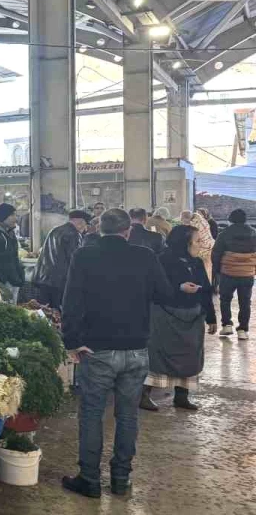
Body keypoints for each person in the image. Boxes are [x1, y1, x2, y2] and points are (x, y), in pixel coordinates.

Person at [60, 209, 189, 499]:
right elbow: (165, 295)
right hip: (135, 349)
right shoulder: (144, 256)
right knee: (128, 416)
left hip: (96, 349)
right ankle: (121, 479)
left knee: (92, 414)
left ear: (99, 229)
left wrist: (72, 341)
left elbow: (71, 302)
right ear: (128, 231)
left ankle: (90, 480)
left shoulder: (84, 255)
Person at [141, 224, 215, 413]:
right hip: (166, 315)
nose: (200, 244)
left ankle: (182, 396)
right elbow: (152, 290)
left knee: (190, 356)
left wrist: (212, 317)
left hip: (193, 316)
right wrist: (178, 288)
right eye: (197, 241)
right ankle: (144, 394)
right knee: (159, 356)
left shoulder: (197, 262)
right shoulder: (161, 261)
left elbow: (206, 289)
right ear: (185, 242)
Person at [211, 208, 256, 339]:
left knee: (225, 299)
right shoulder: (254, 233)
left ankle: (226, 326)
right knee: (245, 302)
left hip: (228, 273)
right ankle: (243, 330)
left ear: (230, 219)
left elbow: (216, 254)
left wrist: (218, 270)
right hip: (247, 274)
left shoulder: (224, 234)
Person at [33, 209, 90, 309]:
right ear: (81, 222)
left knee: (45, 313)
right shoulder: (74, 234)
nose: (85, 229)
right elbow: (75, 259)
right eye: (86, 225)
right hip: (60, 282)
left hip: (43, 278)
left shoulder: (54, 230)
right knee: (57, 315)